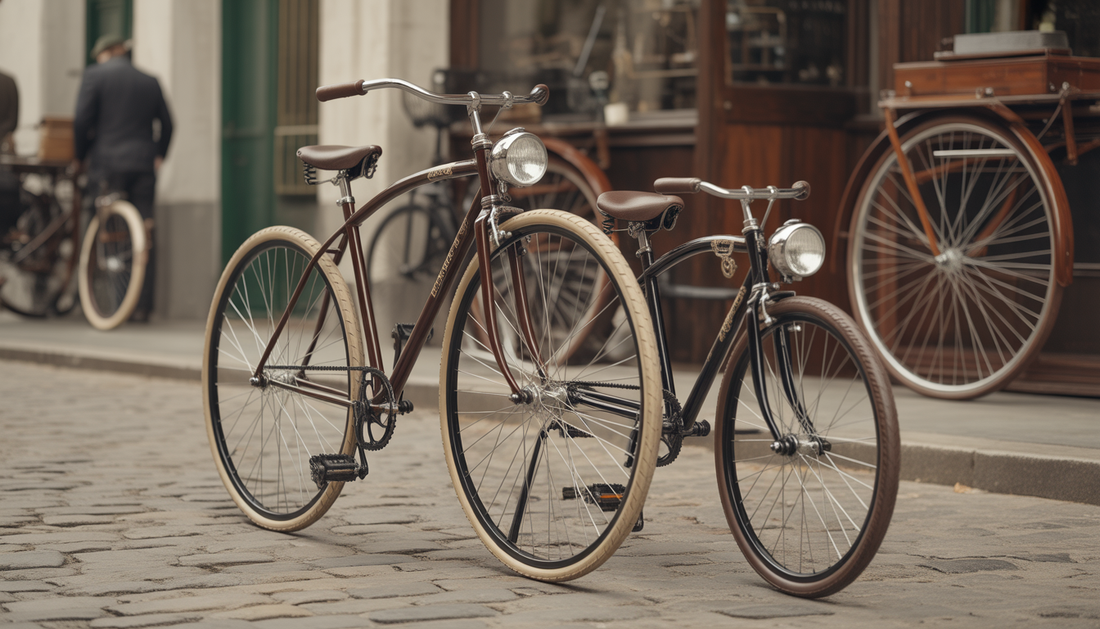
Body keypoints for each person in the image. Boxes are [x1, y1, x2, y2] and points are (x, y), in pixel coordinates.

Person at [73, 34, 173, 322]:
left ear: (107, 53)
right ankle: (142, 306)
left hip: (107, 164)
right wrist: (159, 154)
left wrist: (80, 157)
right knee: (145, 230)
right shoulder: (148, 80)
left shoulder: (95, 76)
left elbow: (81, 120)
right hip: (143, 164)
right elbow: (168, 124)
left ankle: (103, 304)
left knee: (106, 229)